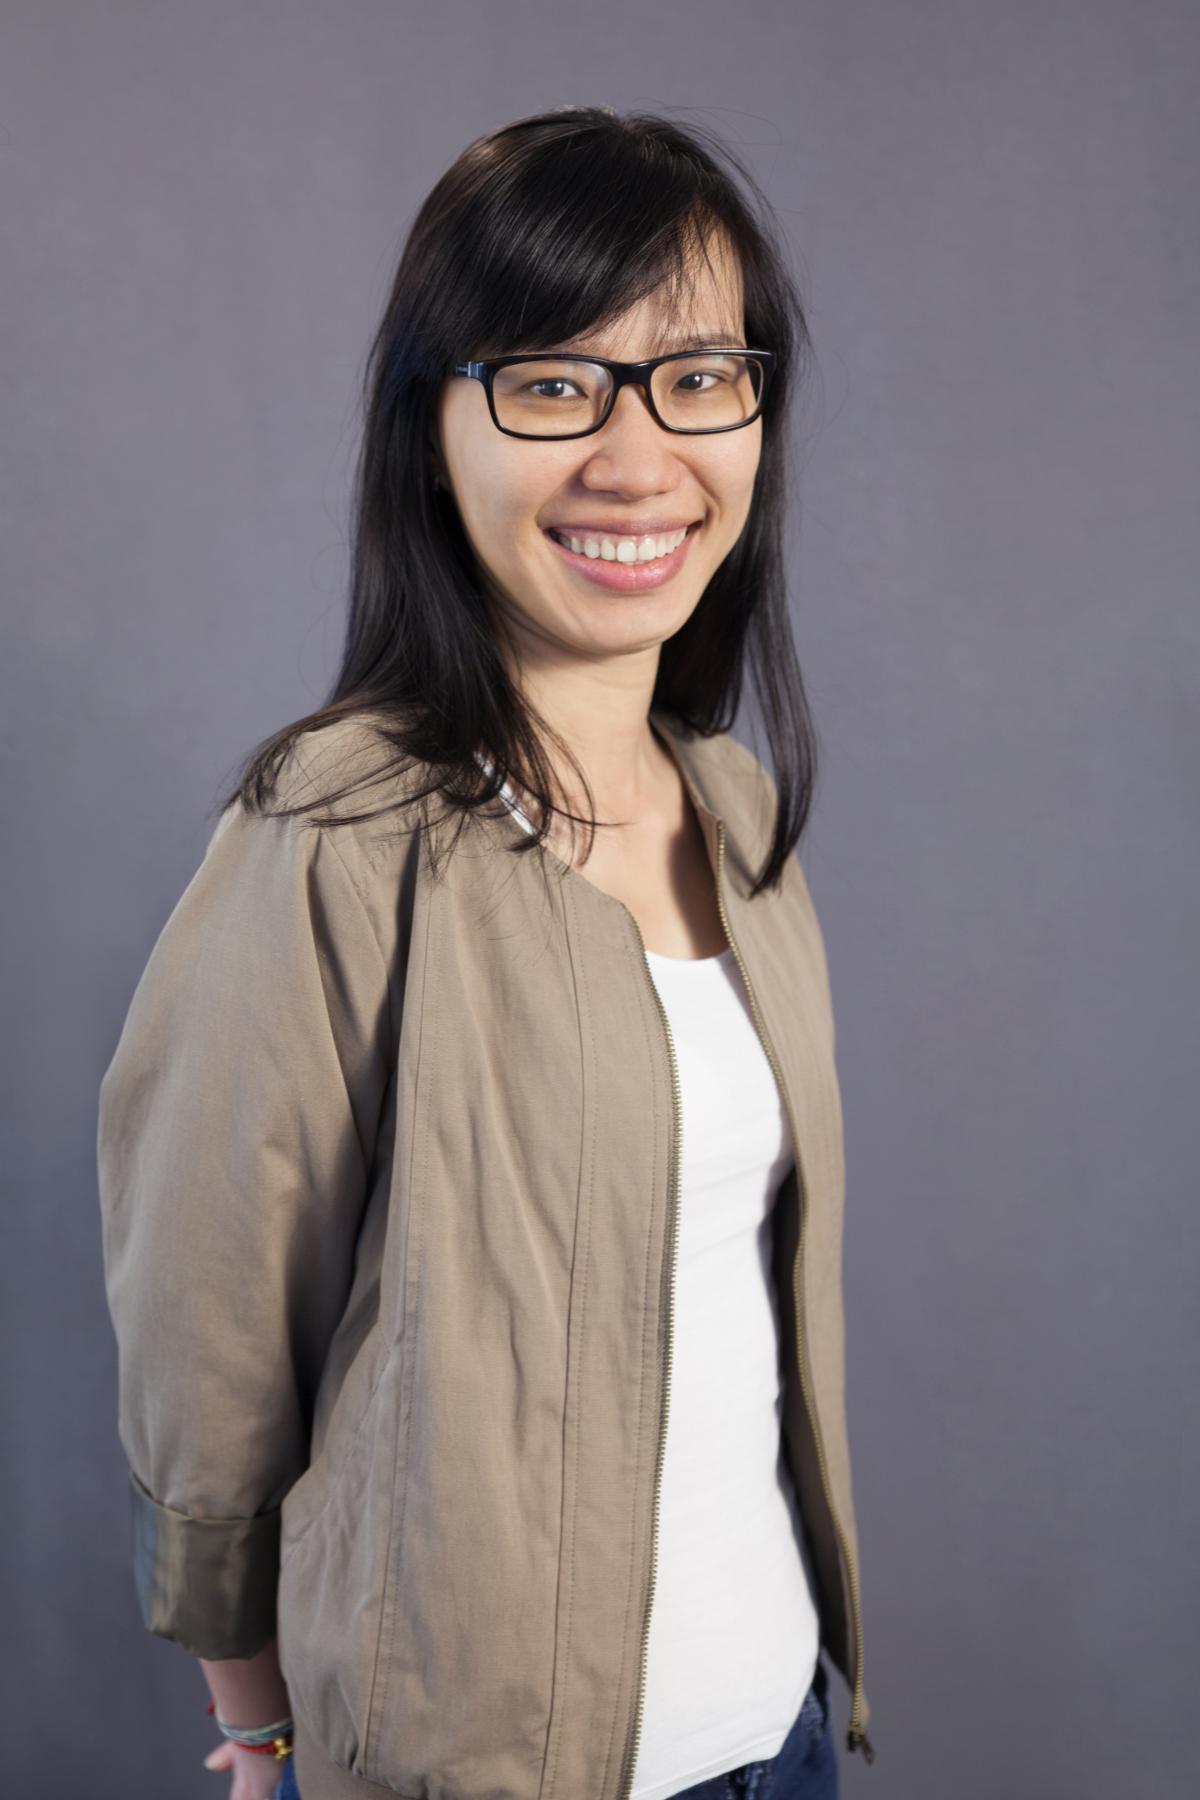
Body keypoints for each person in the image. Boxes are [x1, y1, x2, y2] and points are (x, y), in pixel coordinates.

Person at [96, 105, 875, 1800]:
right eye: (551, 383)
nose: (637, 458)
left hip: (784, 1740)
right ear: (431, 431)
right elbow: (209, 1337)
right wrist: (259, 1723)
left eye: (697, 376)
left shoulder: (738, 813)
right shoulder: (334, 832)